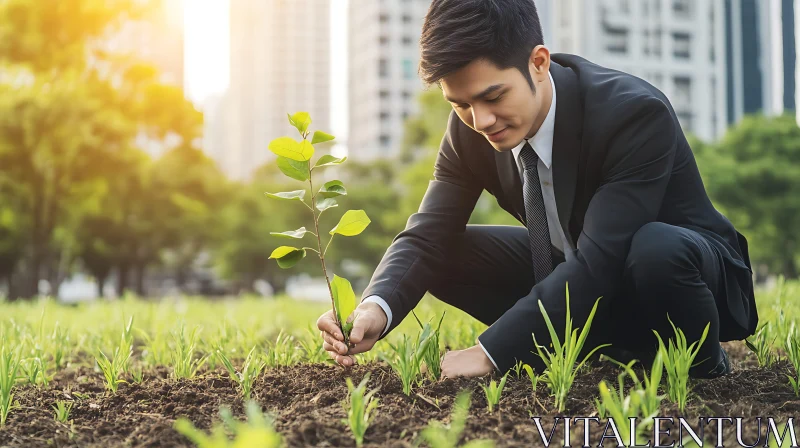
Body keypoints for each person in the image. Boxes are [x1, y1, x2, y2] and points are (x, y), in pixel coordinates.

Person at [317, 0, 758, 379]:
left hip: (683, 277)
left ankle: (702, 364)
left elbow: (601, 260)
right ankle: (609, 350)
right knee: (445, 251)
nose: (481, 119)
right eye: (462, 104)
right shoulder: (468, 128)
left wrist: (493, 352)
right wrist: (375, 307)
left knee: (654, 247)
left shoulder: (632, 114)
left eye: (493, 96)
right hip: (591, 278)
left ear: (539, 62)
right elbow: (428, 232)